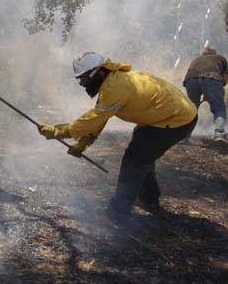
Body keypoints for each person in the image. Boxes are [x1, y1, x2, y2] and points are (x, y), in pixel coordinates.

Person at [38, 52, 197, 220]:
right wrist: (86, 140)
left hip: (177, 120)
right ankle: (149, 199)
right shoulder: (114, 81)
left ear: (97, 72)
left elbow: (96, 115)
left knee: (135, 158)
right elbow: (103, 114)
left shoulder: (115, 87)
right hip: (167, 116)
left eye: (83, 78)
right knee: (143, 153)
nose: (82, 83)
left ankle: (118, 213)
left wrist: (60, 131)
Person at [183, 46, 228, 141]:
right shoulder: (220, 58)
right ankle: (219, 133)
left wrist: (207, 93)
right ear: (214, 53)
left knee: (192, 108)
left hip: (190, 80)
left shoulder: (196, 59)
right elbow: (224, 79)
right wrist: (216, 92)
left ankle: (184, 135)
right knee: (219, 108)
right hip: (212, 78)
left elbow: (198, 79)